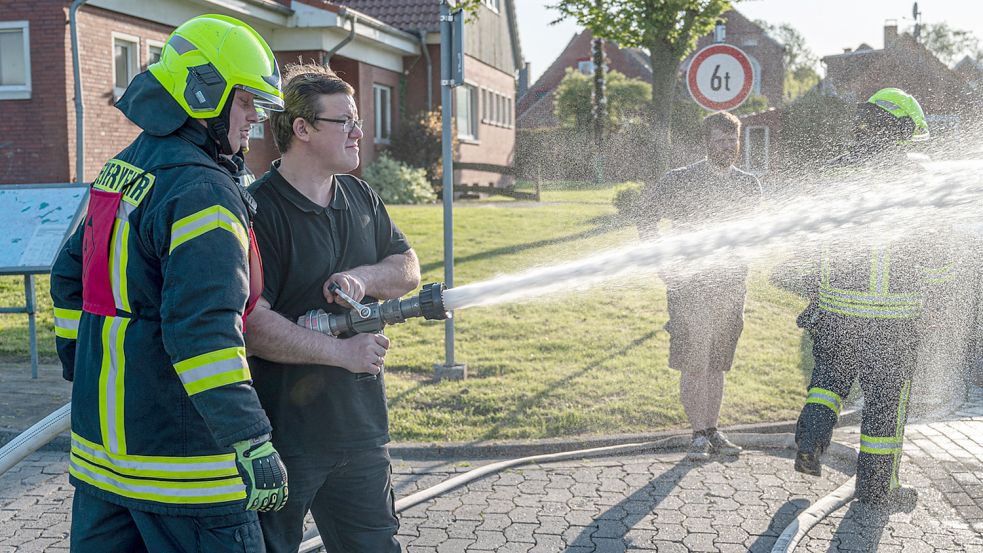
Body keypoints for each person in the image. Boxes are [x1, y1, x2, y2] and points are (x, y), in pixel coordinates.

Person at [49, 15, 288, 552]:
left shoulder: (122, 169)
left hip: (103, 467)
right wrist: (249, 439)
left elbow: (69, 280)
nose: (253, 119)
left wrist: (81, 362)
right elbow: (203, 333)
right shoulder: (201, 190)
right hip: (185, 475)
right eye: (247, 101)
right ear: (205, 92)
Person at [245, 63, 421, 553]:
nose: (359, 132)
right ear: (301, 128)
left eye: (357, 120)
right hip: (285, 441)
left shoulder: (361, 196)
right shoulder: (258, 212)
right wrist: (343, 354)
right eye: (344, 121)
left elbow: (408, 267)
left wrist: (361, 279)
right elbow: (252, 326)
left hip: (361, 431)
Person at [793, 87, 945, 511]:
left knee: (828, 382)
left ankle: (809, 437)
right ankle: (879, 492)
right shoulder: (918, 180)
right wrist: (935, 295)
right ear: (898, 128)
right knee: (884, 405)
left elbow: (809, 242)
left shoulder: (832, 172)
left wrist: (817, 296)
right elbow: (936, 255)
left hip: (837, 311)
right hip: (893, 318)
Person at [637, 111, 762, 461]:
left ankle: (712, 431)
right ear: (707, 142)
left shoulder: (748, 185)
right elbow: (645, 218)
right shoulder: (679, 179)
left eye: (733, 140)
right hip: (690, 287)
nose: (728, 146)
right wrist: (662, 264)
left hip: (732, 286)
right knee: (695, 361)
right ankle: (696, 436)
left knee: (718, 363)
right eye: (721, 140)